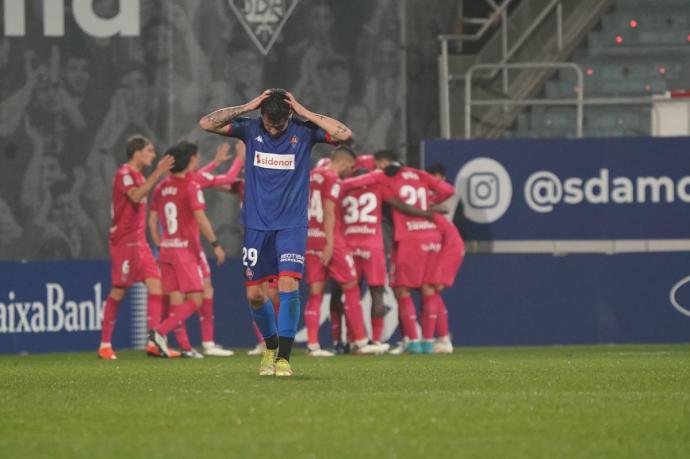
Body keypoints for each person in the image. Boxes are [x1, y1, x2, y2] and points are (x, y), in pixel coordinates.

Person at [199, 88, 352, 376]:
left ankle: (283, 358)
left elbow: (344, 134)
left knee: (288, 285)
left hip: (291, 225)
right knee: (256, 296)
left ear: (289, 116)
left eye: (278, 125)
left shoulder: (304, 132)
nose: (272, 129)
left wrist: (305, 111)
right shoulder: (250, 128)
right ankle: (269, 347)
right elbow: (207, 123)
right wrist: (248, 105)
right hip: (256, 225)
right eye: (268, 123)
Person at [341, 150, 455, 354]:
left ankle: (413, 342)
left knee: (402, 290)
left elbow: (351, 184)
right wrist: (429, 203)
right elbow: (448, 190)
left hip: (409, 237)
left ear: (383, 162)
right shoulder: (418, 174)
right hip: (431, 235)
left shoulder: (384, 175)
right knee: (429, 290)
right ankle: (429, 342)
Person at [150, 142, 244, 357]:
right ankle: (161, 333)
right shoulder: (191, 185)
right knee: (196, 298)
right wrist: (216, 245)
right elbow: (227, 181)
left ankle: (186, 347)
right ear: (191, 160)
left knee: (179, 298)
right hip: (186, 250)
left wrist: (159, 241)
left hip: (167, 249)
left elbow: (152, 219)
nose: (198, 160)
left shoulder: (162, 186)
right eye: (197, 157)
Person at [97, 135, 174, 360]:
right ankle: (104, 344)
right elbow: (136, 195)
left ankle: (153, 342)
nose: (152, 155)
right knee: (119, 291)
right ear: (136, 153)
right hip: (124, 243)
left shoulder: (138, 175)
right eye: (149, 151)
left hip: (140, 242)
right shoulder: (124, 174)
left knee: (156, 285)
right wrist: (158, 172)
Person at [305, 146, 386, 356]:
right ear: (345, 163)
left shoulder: (312, 175)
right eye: (349, 168)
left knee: (315, 293)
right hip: (330, 240)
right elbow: (329, 211)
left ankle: (313, 346)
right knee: (351, 286)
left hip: (309, 238)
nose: (349, 172)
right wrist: (330, 243)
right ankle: (360, 341)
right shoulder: (332, 178)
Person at [426, 164, 465, 354]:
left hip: (448, 244)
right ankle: (441, 338)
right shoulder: (429, 197)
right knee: (431, 290)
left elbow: (443, 213)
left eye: (434, 177)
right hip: (439, 243)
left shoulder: (447, 196)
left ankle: (442, 339)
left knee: (432, 289)